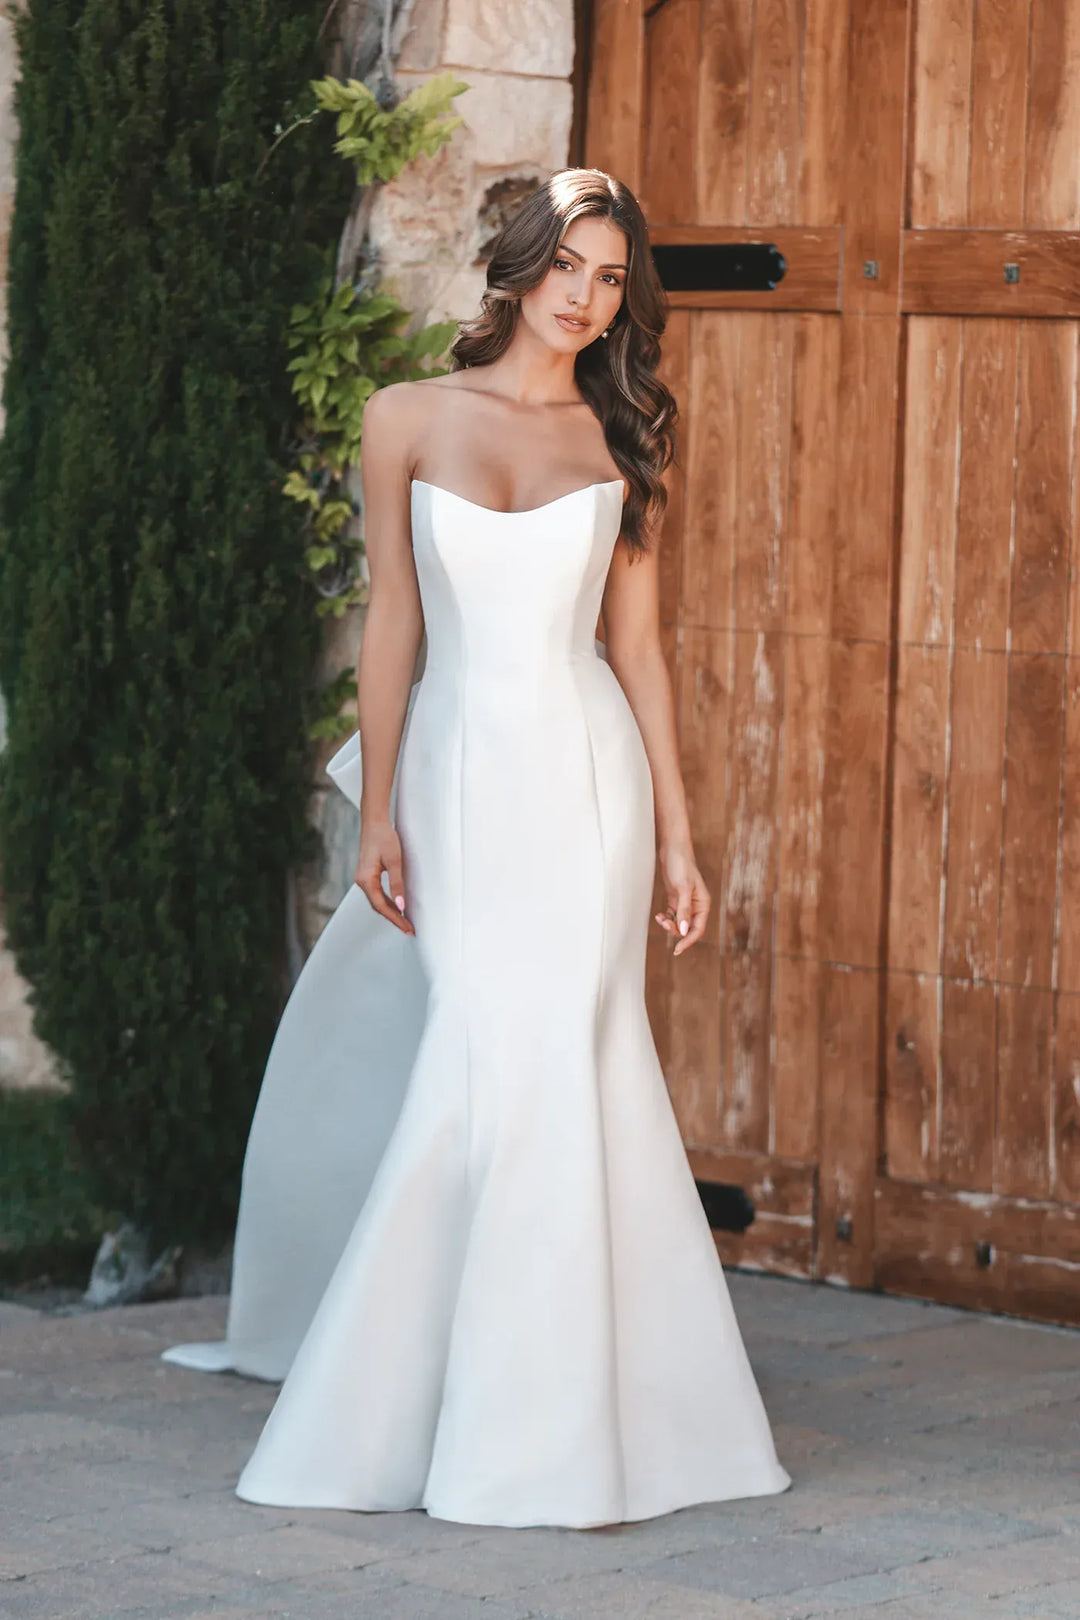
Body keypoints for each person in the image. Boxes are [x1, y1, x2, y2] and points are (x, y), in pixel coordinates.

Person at [163, 167, 791, 1528]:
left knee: (565, 1056)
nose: (586, 295)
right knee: (473, 1053)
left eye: (612, 276)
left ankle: (554, 1436)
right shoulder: (405, 418)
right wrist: (378, 804)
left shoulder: (623, 439)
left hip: (586, 787)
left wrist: (681, 838)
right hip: (455, 781)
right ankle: (426, 1402)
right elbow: (394, 624)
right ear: (514, 265)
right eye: (568, 264)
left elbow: (640, 656)